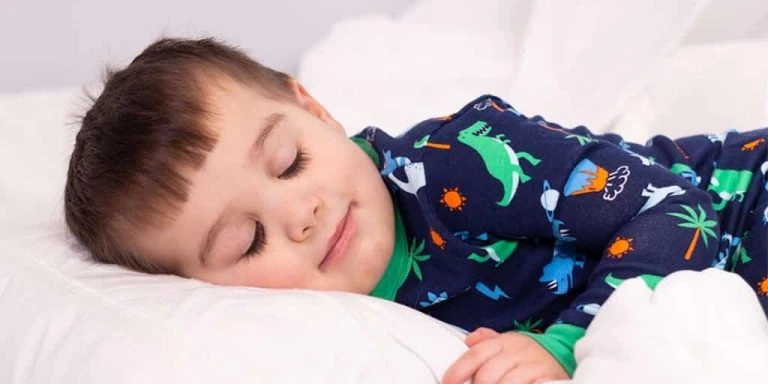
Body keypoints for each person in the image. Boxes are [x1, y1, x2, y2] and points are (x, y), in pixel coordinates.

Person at [64, 37, 768, 384]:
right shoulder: (331, 333)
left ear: (313, 108)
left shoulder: (456, 158)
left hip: (743, 202)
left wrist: (568, 343)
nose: (301, 214)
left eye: (290, 162)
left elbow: (677, 206)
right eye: (248, 241)